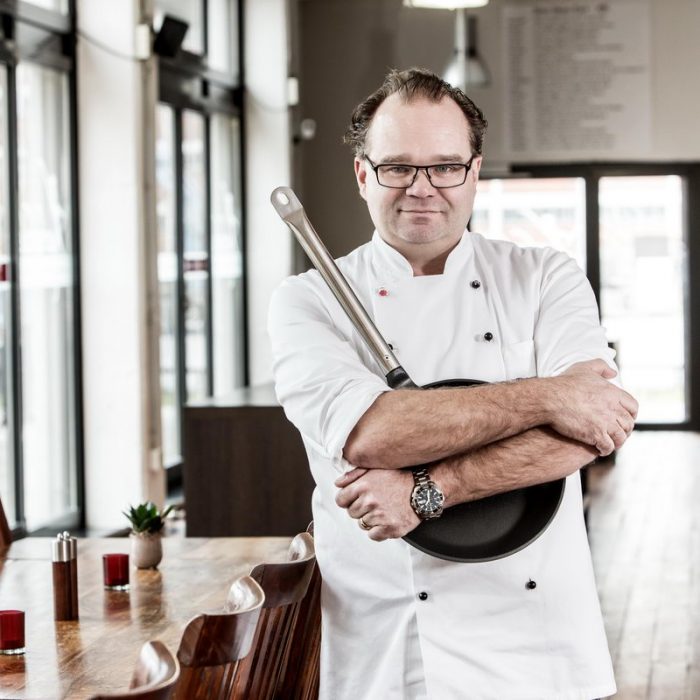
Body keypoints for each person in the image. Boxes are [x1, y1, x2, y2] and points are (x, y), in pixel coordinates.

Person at [268, 68, 637, 700]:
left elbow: (596, 428)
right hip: (389, 632)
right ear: (363, 175)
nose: (422, 189)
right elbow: (374, 433)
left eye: (444, 166)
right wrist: (551, 398)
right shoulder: (308, 301)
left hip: (537, 634)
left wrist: (428, 491)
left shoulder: (543, 276)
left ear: (474, 172)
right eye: (397, 168)